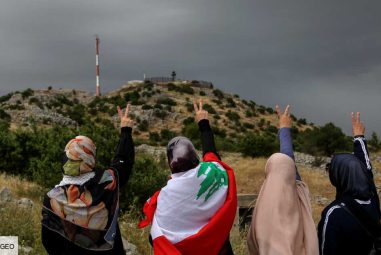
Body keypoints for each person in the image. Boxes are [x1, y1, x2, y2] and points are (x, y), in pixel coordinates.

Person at [138, 99, 237, 255]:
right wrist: (203, 123)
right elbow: (211, 153)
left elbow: (155, 237)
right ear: (195, 157)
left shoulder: (165, 196)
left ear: (170, 164)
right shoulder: (213, 171)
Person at [41, 104, 135, 255]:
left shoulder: (52, 198)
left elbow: (48, 241)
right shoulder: (107, 182)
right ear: (90, 159)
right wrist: (125, 131)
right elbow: (123, 161)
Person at [247, 105, 319, 255]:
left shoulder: (262, 210)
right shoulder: (300, 196)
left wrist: (283, 129)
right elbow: (289, 167)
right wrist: (285, 129)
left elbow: (287, 167)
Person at [318, 112, 381, 255]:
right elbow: (366, 170)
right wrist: (359, 138)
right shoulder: (372, 199)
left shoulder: (333, 214)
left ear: (338, 177)